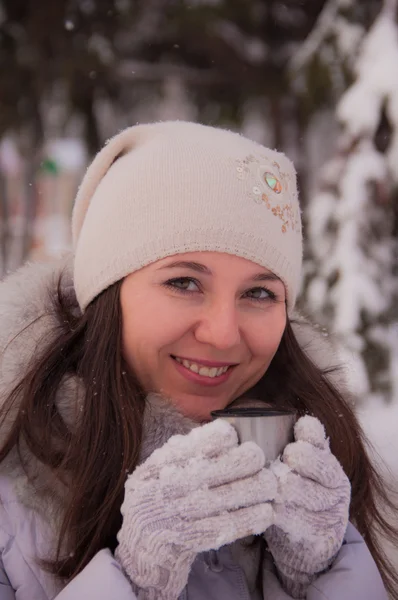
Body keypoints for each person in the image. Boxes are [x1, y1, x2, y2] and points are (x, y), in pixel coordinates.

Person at [0, 121, 395, 600]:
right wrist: (132, 582)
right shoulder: (11, 494)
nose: (224, 333)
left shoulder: (326, 462)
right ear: (106, 292)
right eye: (184, 282)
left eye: (258, 292)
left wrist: (324, 572)